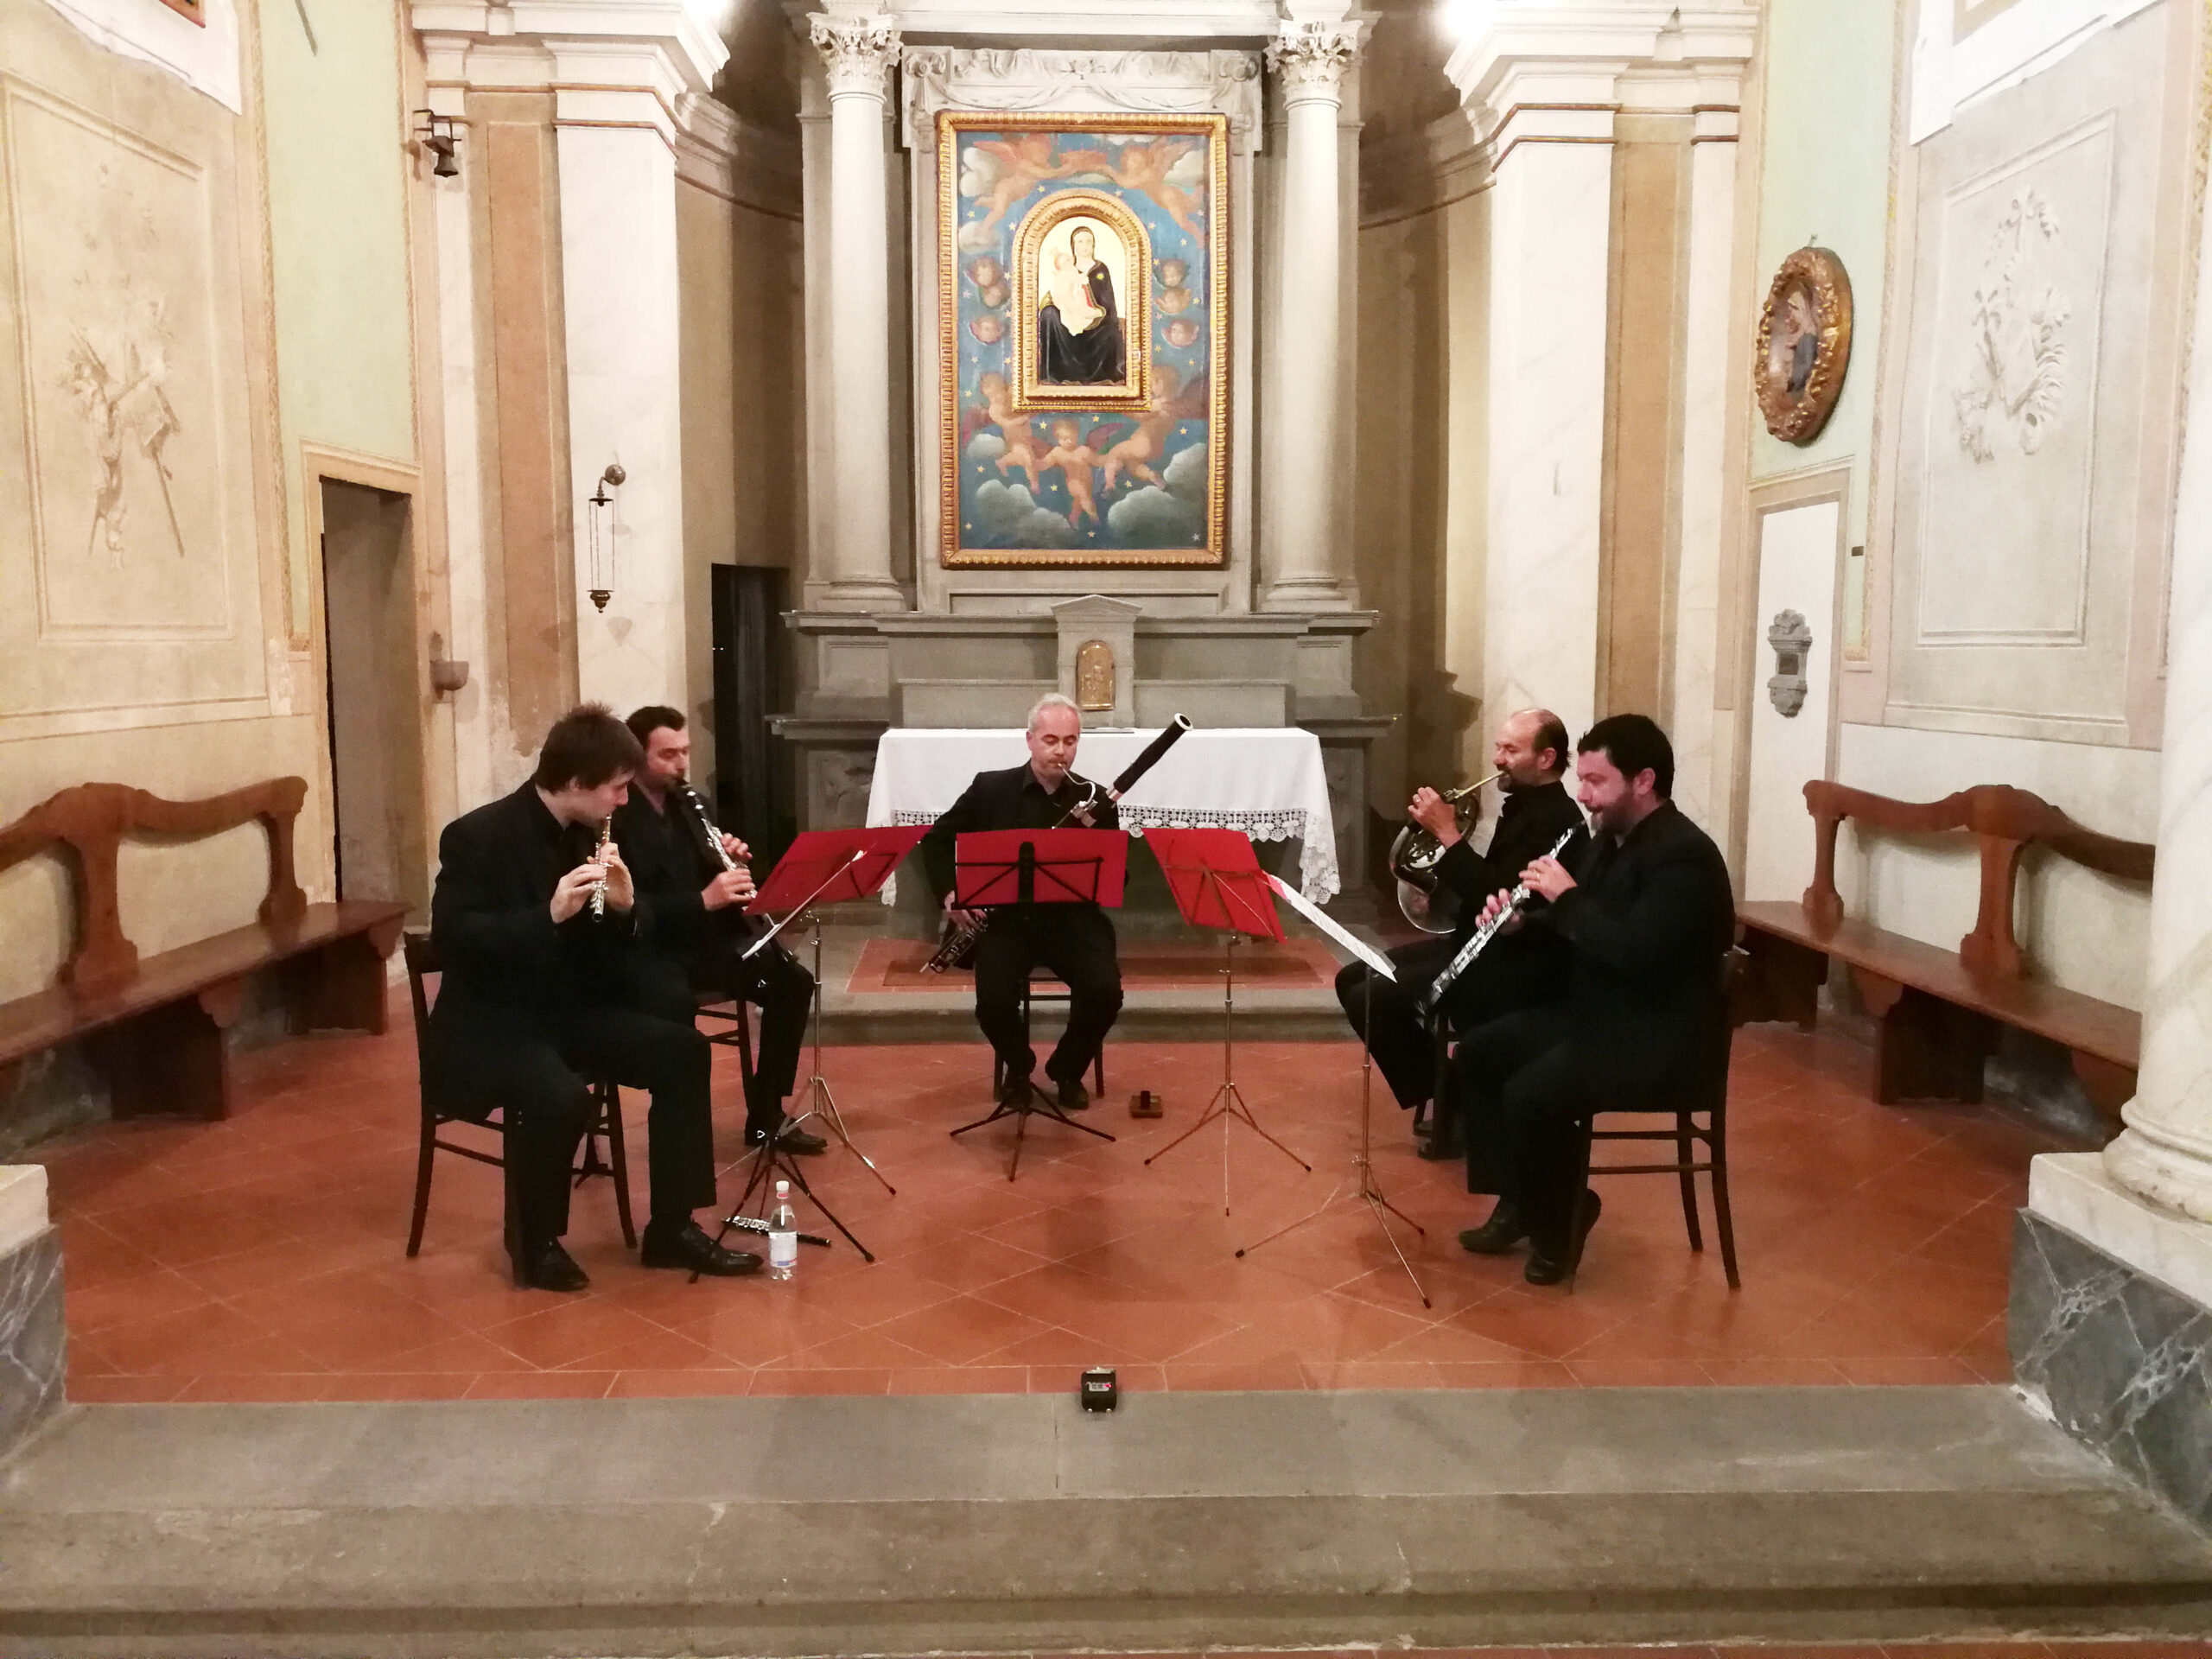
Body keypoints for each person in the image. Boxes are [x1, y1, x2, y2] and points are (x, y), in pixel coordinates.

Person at [426, 704, 761, 1292]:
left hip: (567, 1013)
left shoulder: (594, 833)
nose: (624, 801)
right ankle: (534, 1244)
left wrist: (628, 909)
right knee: (557, 1095)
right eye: (617, 788)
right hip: (493, 1023)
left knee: (682, 1052)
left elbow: (613, 945)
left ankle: (673, 1229)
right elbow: (456, 942)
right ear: (578, 783)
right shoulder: (477, 837)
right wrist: (547, 915)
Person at [1453, 715, 1736, 1285]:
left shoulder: (1684, 857)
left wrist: (1570, 896)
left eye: (1596, 782)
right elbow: (1574, 925)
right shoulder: (1611, 839)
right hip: (1603, 1016)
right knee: (1480, 1053)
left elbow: (1634, 952)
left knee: (1532, 1092)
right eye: (1580, 780)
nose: (1583, 796)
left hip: (1660, 1038)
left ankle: (1558, 1226)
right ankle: (1526, 1202)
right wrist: (1520, 925)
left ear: (1644, 780)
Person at [1335, 709, 1586, 1160]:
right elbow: (1487, 886)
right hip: (1474, 943)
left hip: (1508, 962)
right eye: (1498, 747)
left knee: (1370, 997)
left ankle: (1456, 1102)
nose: (1497, 760)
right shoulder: (1523, 807)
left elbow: (1504, 898)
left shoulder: (1557, 819)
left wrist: (1449, 835)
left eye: (1510, 750)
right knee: (1351, 977)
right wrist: (1441, 890)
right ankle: (1455, 1095)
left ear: (1547, 758)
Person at [611, 706, 824, 1158]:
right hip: (655, 948)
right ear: (635, 758)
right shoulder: (617, 815)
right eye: (667, 755)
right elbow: (628, 904)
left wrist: (732, 861)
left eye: (684, 752)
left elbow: (708, 877)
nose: (680, 764)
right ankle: (685, 1132)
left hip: (704, 941)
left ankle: (766, 1114)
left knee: (793, 981)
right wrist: (704, 897)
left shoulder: (692, 803)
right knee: (677, 1008)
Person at [919, 693, 1123, 1112]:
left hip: (1070, 921)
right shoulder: (990, 788)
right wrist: (951, 894)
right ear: (1029, 740)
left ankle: (1066, 1069)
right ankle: (1019, 1063)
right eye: (1050, 740)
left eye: (1070, 741)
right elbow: (936, 841)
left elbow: (1115, 875)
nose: (1060, 750)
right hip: (1006, 922)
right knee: (992, 1003)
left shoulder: (1096, 800)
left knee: (1105, 992)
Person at [1038, 225, 1125, 385]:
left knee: (1110, 330)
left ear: (1093, 245)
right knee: (1048, 314)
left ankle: (1101, 374)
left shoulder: (1100, 269)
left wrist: (1097, 311)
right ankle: (1054, 373)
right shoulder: (1066, 271)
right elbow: (1056, 294)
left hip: (1097, 326)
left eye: (1088, 242)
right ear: (1073, 246)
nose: (1085, 246)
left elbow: (1108, 301)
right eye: (1080, 242)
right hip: (1069, 320)